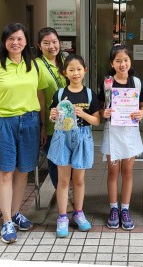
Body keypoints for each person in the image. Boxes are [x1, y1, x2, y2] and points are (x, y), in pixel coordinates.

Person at [0, 23, 48, 244]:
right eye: (11, 39)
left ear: (26, 41)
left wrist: (43, 126)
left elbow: (41, 98)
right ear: (4, 41)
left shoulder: (35, 67)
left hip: (30, 122)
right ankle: (7, 221)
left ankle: (16, 212)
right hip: (4, 124)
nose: (15, 43)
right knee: (6, 172)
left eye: (19, 38)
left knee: (22, 171)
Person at [48, 54, 101, 237]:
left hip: (83, 137)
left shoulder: (89, 94)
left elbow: (96, 121)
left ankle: (78, 213)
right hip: (63, 136)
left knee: (78, 180)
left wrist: (82, 114)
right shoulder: (60, 94)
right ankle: (62, 217)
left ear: (84, 71)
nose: (75, 73)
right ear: (65, 73)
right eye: (71, 69)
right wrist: (52, 116)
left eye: (79, 69)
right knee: (63, 181)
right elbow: (52, 116)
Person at [99, 45, 143, 230]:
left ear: (130, 62)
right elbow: (100, 109)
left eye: (125, 60)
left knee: (127, 172)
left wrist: (142, 113)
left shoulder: (137, 82)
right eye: (118, 61)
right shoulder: (107, 83)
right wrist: (104, 112)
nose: (122, 64)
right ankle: (113, 208)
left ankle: (125, 208)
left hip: (130, 132)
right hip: (112, 132)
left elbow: (142, 106)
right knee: (113, 172)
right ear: (112, 63)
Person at [36, 27, 67, 189]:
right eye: (46, 43)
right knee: (54, 161)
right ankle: (63, 195)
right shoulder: (36, 66)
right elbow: (40, 99)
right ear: (39, 45)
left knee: (68, 160)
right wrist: (41, 127)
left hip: (69, 122)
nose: (51, 46)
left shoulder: (65, 61)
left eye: (54, 42)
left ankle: (68, 192)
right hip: (50, 124)